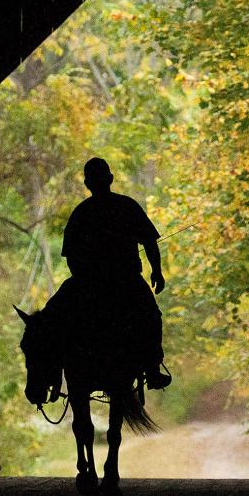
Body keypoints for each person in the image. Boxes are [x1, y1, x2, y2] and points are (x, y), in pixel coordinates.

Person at [50, 157, 170, 391]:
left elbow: (71, 257)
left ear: (87, 184)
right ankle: (152, 369)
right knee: (151, 316)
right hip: (127, 282)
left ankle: (53, 377)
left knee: (53, 318)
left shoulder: (80, 214)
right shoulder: (128, 206)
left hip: (88, 284)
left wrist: (84, 280)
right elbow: (149, 242)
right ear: (110, 179)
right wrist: (157, 271)